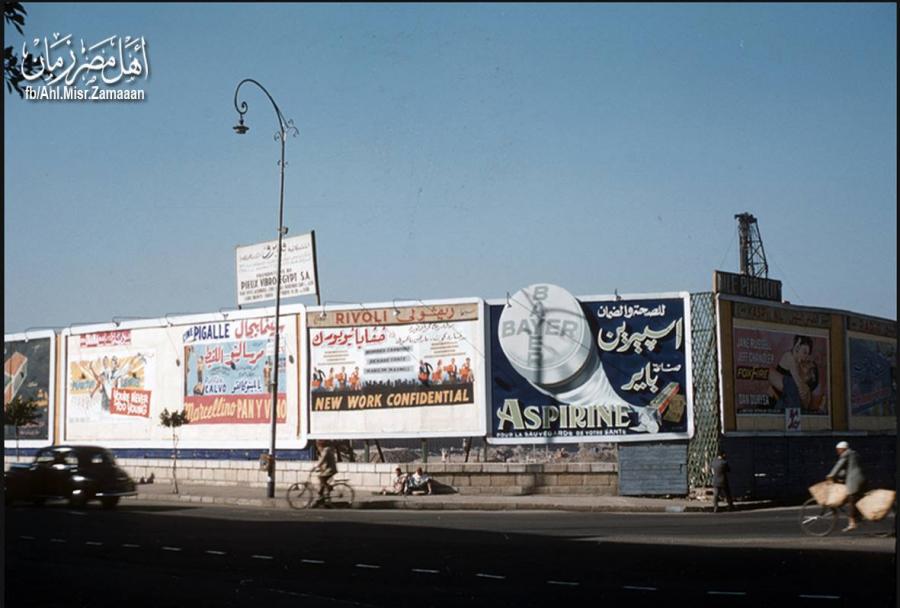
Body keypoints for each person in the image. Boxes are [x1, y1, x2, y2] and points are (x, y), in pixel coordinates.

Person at [768, 335, 823, 411]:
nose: (805, 358)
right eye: (804, 352)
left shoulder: (804, 389)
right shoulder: (789, 358)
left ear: (810, 377)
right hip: (772, 403)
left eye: (807, 354)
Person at [827, 441, 866, 531]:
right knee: (856, 499)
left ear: (842, 449)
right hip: (862, 478)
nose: (838, 452)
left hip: (855, 480)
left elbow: (838, 465)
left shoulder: (846, 454)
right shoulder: (854, 454)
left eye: (838, 450)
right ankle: (858, 517)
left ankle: (852, 523)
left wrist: (831, 475)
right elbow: (847, 470)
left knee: (851, 499)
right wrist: (839, 476)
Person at [313, 441, 338, 505]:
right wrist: (319, 469)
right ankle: (322, 497)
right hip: (328, 469)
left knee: (321, 479)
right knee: (322, 482)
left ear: (320, 446)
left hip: (330, 470)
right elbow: (324, 462)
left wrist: (316, 467)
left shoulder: (326, 450)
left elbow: (322, 460)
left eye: (318, 447)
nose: (318, 448)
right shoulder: (325, 450)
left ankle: (329, 488)